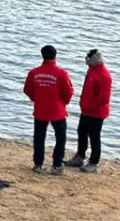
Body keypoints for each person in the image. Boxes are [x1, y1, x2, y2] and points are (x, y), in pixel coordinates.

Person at [24, 45, 75, 174]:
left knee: (39, 137)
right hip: (57, 111)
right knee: (60, 137)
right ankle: (57, 165)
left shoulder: (34, 72)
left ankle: (38, 164)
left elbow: (27, 89)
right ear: (55, 56)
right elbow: (69, 91)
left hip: (41, 109)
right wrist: (64, 103)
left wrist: (36, 99)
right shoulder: (62, 73)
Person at [67, 49, 112, 173]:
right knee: (81, 132)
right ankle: (80, 156)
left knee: (94, 136)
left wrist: (91, 107)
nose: (86, 59)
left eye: (89, 57)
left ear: (94, 59)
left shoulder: (104, 75)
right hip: (86, 109)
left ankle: (93, 162)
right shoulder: (91, 70)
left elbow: (103, 99)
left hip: (97, 112)